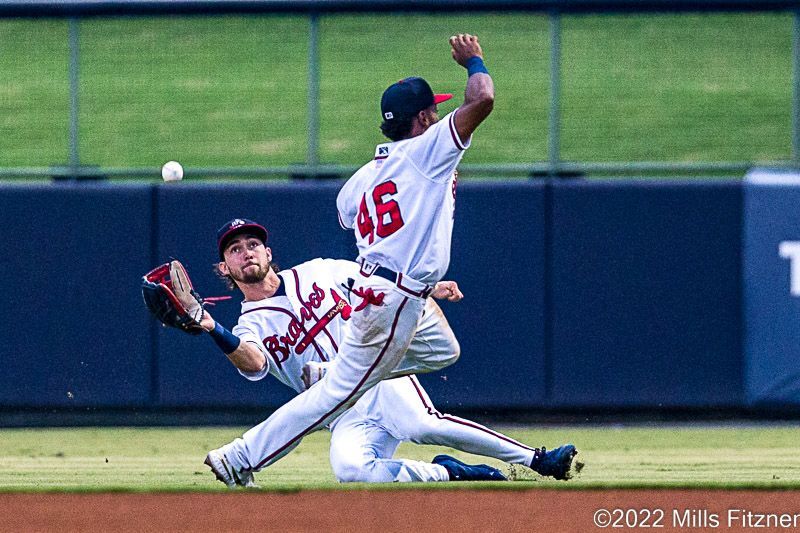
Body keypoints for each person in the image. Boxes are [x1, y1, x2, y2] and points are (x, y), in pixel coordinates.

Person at [202, 34, 576, 485]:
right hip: (390, 298)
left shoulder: (361, 179)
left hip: (394, 291)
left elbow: (349, 216)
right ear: (422, 118)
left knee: (442, 355)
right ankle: (239, 456)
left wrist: (421, 275)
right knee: (334, 397)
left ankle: (342, 379)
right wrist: (473, 59)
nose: (439, 115)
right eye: (433, 110)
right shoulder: (429, 149)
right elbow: (483, 98)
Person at [201, 218, 575, 485]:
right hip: (343, 411)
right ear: (224, 267)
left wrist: (427, 290)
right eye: (235, 249)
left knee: (423, 424)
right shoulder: (248, 325)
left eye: (253, 244)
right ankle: (450, 472)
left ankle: (537, 459)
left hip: (379, 378)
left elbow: (380, 286)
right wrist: (211, 328)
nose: (246, 252)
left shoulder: (319, 271)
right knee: (351, 470)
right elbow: (255, 363)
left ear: (268, 251)